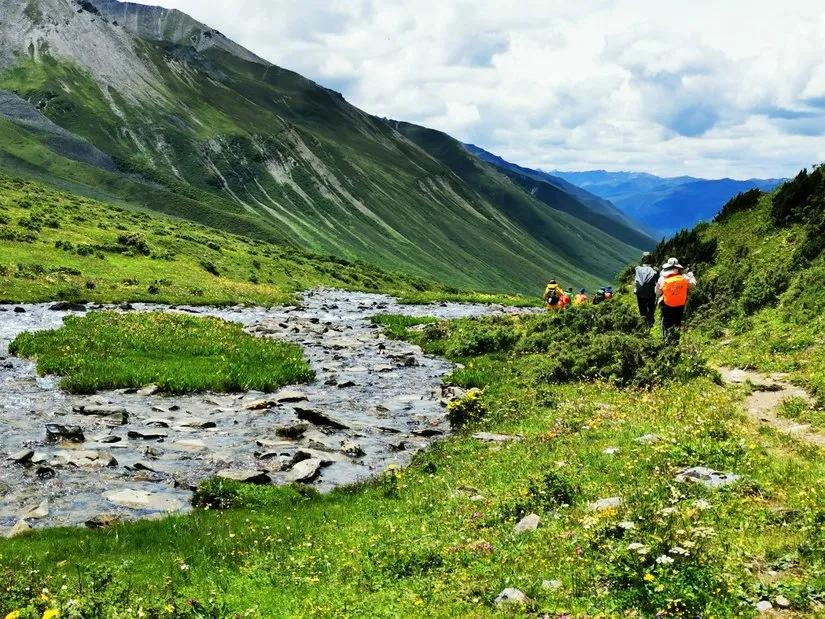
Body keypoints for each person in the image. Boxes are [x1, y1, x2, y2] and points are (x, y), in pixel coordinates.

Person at [655, 257, 697, 342]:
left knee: (667, 323)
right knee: (677, 322)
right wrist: (690, 274)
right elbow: (693, 285)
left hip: (667, 304)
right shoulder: (684, 277)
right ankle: (676, 341)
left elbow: (657, 292)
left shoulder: (663, 278)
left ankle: (666, 341)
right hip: (680, 304)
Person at [634, 252, 658, 326]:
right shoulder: (655, 270)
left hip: (640, 292)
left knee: (642, 307)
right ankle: (650, 321)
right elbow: (658, 282)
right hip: (651, 292)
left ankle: (643, 320)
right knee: (651, 307)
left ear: (642, 259)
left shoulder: (637, 269)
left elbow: (636, 279)